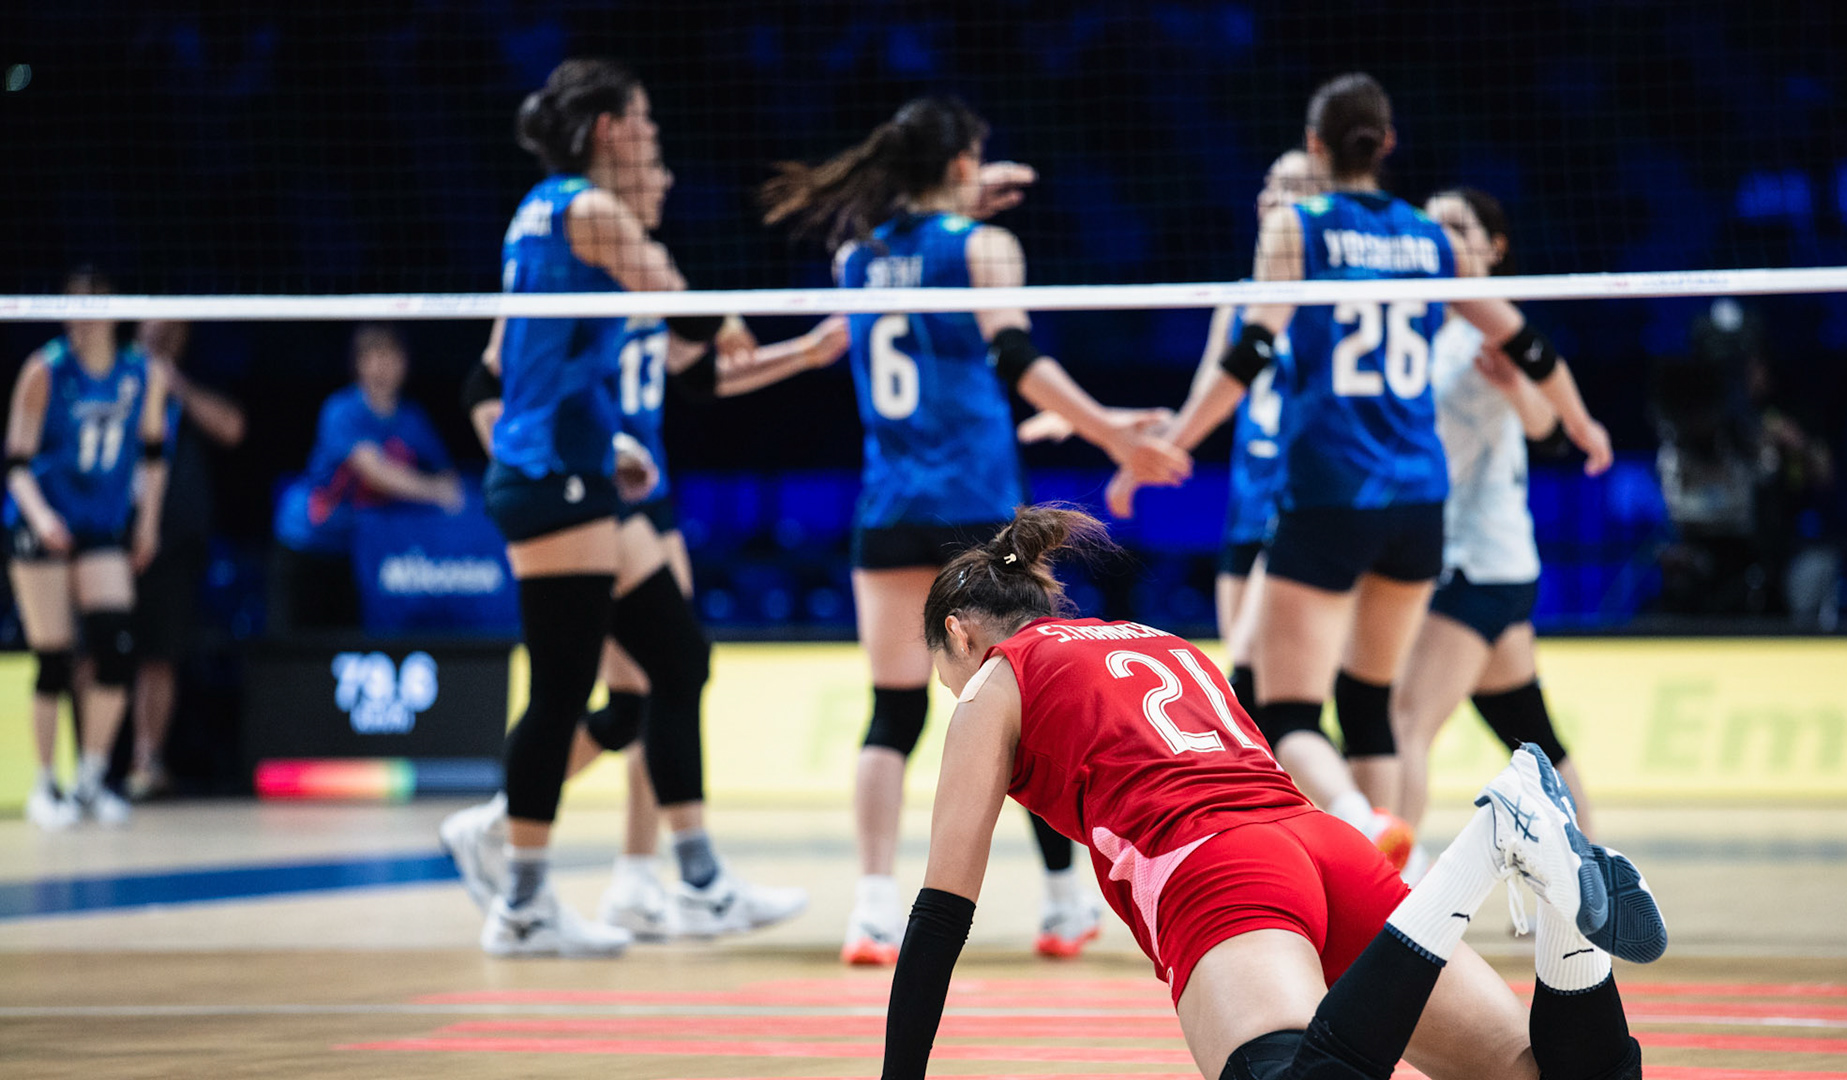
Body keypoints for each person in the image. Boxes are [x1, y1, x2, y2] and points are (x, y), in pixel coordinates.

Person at [830, 506, 1667, 1080]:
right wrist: (1253, 1059)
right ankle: (1555, 900)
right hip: (1322, 847)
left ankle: (1480, 855)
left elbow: (942, 912)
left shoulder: (991, 681)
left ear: (961, 636)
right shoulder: (1166, 644)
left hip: (1222, 873)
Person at [762, 95, 1191, 965]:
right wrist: (1111, 431)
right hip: (976, 505)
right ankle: (1066, 903)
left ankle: (873, 910)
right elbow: (1015, 358)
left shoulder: (858, 257)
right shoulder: (982, 246)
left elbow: (891, 277)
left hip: (886, 508)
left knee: (890, 712)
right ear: (963, 163)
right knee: (1025, 707)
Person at [1149, 74, 1610, 860]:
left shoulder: (1300, 228)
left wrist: (1178, 443)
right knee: (1370, 705)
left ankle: (1358, 823)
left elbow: (1253, 347)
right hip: (1419, 508)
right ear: (1388, 144)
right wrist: (1582, 421)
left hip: (1331, 494)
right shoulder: (1428, 237)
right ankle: (1387, 899)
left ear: (1317, 145)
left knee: (1283, 709)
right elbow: (1526, 341)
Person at [444, 141, 845, 940]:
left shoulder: (638, 279)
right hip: (575, 489)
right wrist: (522, 459)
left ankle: (634, 873)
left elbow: (700, 377)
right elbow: (486, 383)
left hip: (636, 496)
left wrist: (800, 354)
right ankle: (531, 842)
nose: (664, 176)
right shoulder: (579, 271)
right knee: (620, 690)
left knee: (661, 680)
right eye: (652, 162)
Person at [1392, 189, 1593, 845]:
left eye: (1459, 227)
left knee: (1404, 724)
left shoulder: (1492, 327)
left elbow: (1545, 425)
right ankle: (1595, 884)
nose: (1443, 239)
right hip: (1497, 564)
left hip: (1474, 563)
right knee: (1531, 736)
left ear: (1494, 247)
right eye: (1434, 227)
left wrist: (1518, 389)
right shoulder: (1422, 327)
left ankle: (1387, 893)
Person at [1104, 149, 1327, 714]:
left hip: (1311, 503)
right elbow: (1209, 399)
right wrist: (1140, 457)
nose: (1276, 198)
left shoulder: (1335, 297)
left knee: (1268, 688)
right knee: (1250, 679)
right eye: (1272, 186)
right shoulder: (1235, 301)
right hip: (1249, 505)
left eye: (1296, 188)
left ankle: (1317, 798)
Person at [5, 267, 170, 827]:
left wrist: (147, 523)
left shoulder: (142, 373)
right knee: (53, 656)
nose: (82, 317)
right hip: (43, 520)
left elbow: (153, 455)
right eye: (72, 305)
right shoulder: (46, 370)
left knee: (117, 648)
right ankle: (43, 785)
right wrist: (42, 517)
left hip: (102, 522)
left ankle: (91, 779)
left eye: (93, 305)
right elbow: (16, 465)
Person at [269, 324, 462, 634]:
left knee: (349, 644)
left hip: (360, 551)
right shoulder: (341, 410)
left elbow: (448, 475)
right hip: (305, 542)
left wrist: (446, 487)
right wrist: (434, 491)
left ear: (405, 363)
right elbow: (376, 472)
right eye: (371, 356)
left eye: (389, 356)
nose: (381, 367)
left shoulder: (412, 419)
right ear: (358, 364)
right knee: (296, 650)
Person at [125, 320, 247, 799]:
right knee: (93, 652)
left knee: (160, 654)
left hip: (174, 539)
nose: (165, 328)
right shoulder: (111, 375)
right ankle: (85, 766)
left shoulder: (193, 378)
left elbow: (233, 428)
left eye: (175, 322)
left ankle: (145, 760)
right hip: (107, 529)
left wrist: (174, 382)